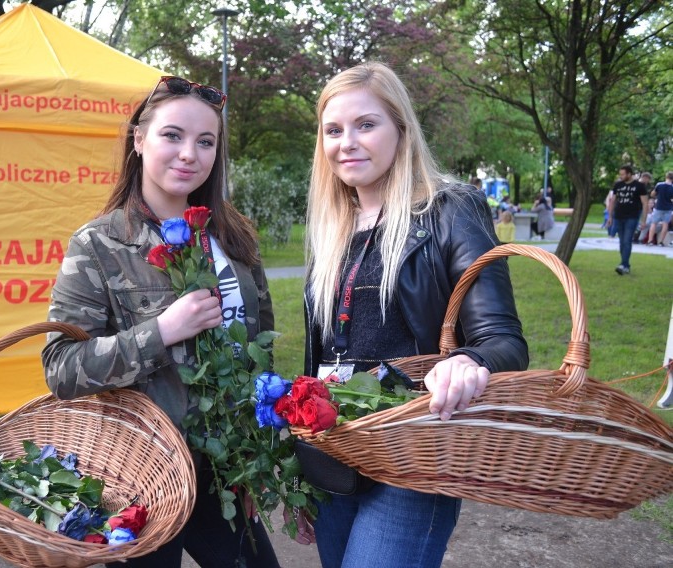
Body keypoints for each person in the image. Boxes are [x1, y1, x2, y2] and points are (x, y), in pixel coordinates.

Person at [41, 75, 283, 568]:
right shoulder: (98, 244)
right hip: (141, 476)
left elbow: (260, 356)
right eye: (172, 135)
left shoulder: (236, 240)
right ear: (139, 140)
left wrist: (253, 462)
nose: (189, 153)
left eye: (205, 141)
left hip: (223, 471)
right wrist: (162, 332)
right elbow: (61, 369)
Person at [301, 62, 529, 568]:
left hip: (414, 455)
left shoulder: (452, 210)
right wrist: (303, 464)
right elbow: (318, 355)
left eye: (366, 124)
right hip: (336, 451)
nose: (347, 143)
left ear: (401, 129)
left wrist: (469, 361)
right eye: (333, 131)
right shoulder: (330, 227)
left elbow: (505, 341)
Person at [606, 164, 648, 274]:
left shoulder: (639, 186)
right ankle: (625, 264)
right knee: (621, 241)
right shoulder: (618, 185)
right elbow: (613, 201)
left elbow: (645, 203)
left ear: (629, 174)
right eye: (620, 174)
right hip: (619, 216)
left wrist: (644, 220)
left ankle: (624, 265)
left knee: (627, 241)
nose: (621, 176)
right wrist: (610, 216)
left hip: (632, 217)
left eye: (623, 174)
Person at [647, 171, 673, 246]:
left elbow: (652, 194)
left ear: (666, 177)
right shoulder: (672, 187)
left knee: (653, 223)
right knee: (665, 224)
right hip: (668, 208)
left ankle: (650, 240)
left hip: (658, 207)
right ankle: (661, 242)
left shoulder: (659, 185)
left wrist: (657, 196)